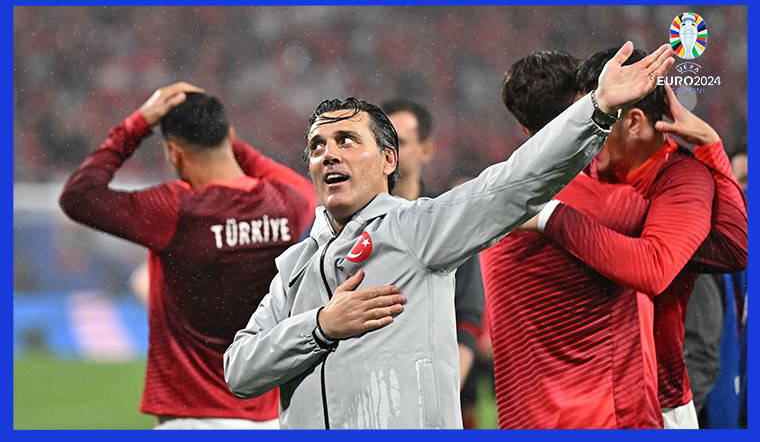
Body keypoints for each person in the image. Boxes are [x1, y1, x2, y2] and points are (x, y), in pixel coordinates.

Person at [223, 42, 676, 429]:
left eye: (347, 140)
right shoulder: (295, 265)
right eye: (317, 146)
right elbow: (240, 372)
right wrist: (321, 327)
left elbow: (517, 181)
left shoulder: (418, 228)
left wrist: (597, 108)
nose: (328, 154)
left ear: (388, 160)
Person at [482, 49, 746, 428]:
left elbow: (724, 252)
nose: (591, 130)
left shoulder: (680, 180)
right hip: (596, 404)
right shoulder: (591, 178)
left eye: (601, 117)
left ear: (633, 121)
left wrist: (710, 145)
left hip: (650, 400)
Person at [59, 82, 317, 429]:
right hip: (270, 417)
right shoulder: (287, 202)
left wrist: (138, 124)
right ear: (230, 136)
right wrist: (221, 134)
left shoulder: (177, 210)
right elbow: (303, 190)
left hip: (192, 417)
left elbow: (78, 196)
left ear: (175, 154)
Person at [380, 98, 485, 389]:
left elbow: (467, 317)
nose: (388, 151)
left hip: (431, 383)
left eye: (399, 142)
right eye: (381, 142)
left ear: (426, 150)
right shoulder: (352, 221)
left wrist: (446, 390)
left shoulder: (448, 220)